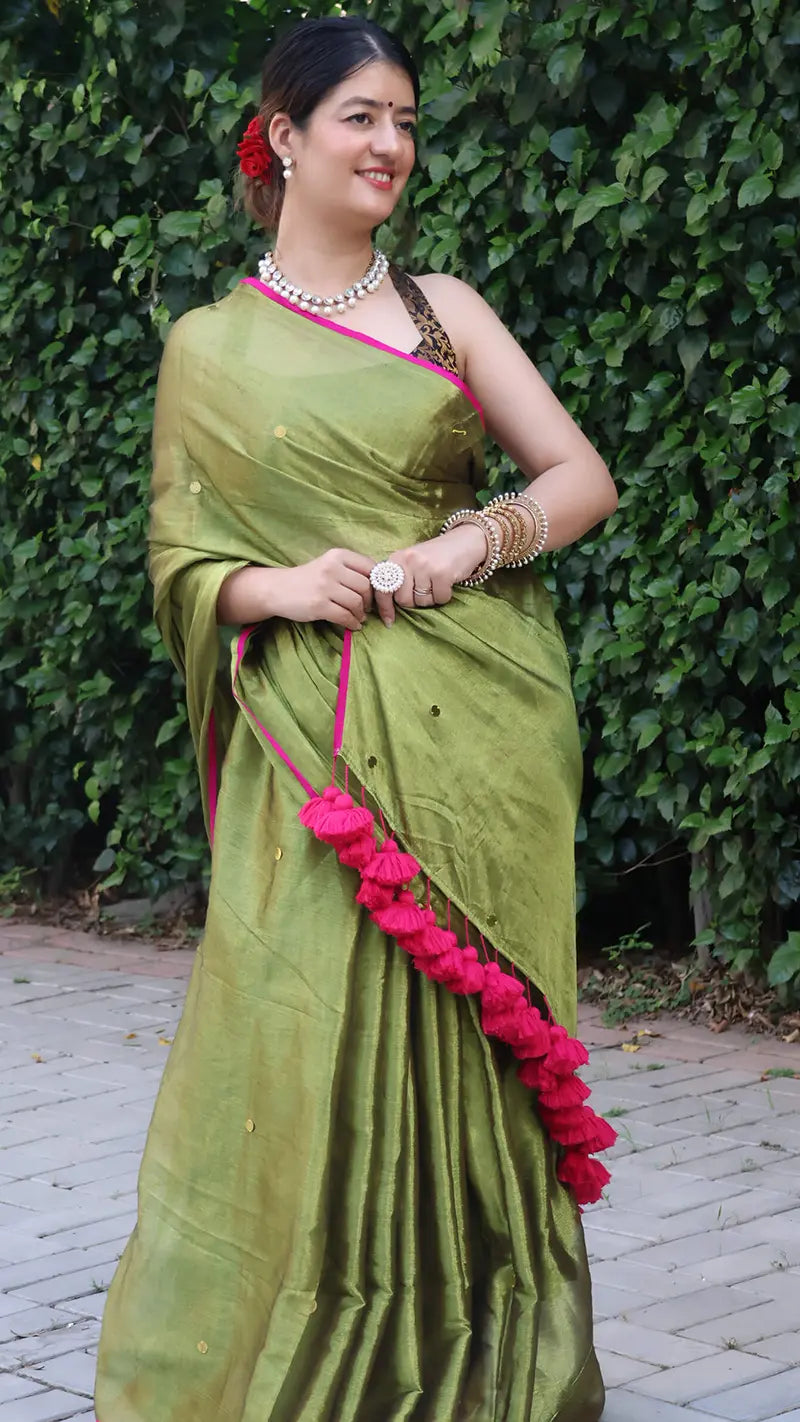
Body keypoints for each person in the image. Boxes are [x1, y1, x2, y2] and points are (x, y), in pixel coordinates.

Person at [94, 15, 619, 1422]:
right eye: (361, 119)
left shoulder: (446, 309)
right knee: (307, 1037)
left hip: (474, 732)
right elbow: (175, 559)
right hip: (311, 756)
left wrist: (471, 543)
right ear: (284, 137)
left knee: (466, 1063)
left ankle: (480, 1364)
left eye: (405, 120)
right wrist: (271, 580)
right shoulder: (208, 349)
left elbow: (579, 475)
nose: (391, 144)